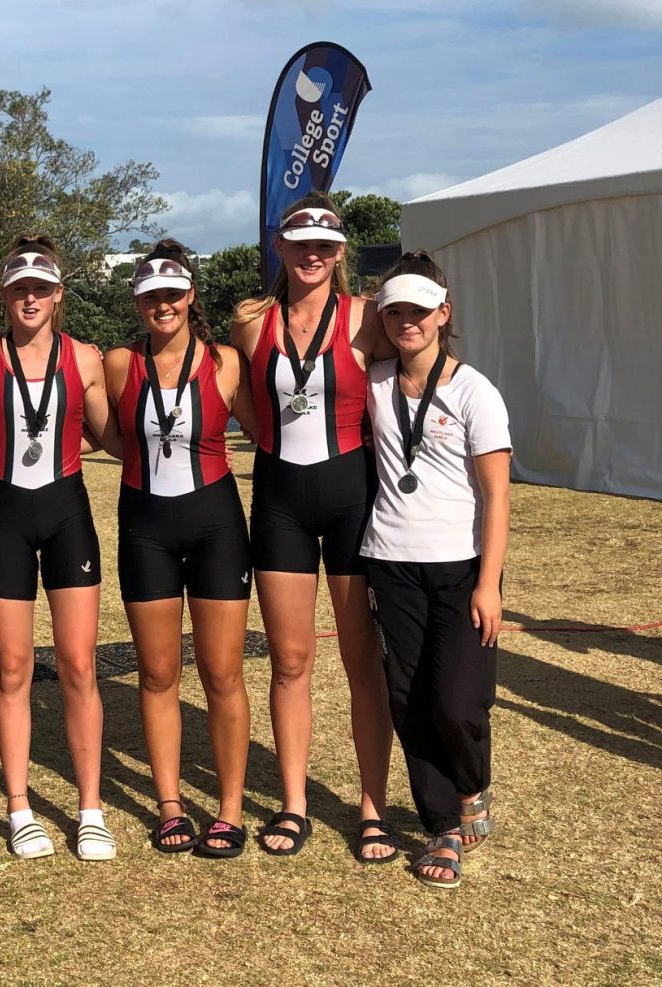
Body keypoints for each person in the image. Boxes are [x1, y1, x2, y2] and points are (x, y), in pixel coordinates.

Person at [229, 193, 398, 860]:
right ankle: (294, 803)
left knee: (362, 661)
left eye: (325, 245)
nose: (313, 255)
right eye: (301, 242)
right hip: (279, 503)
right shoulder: (252, 322)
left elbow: (420, 369)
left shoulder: (367, 320)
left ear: (340, 253)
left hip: (352, 501)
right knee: (290, 660)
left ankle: (372, 806)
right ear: (281, 246)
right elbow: (233, 396)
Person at [0, 236, 116, 861]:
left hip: (67, 513)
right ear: (4, 294)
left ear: (58, 295)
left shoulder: (87, 358)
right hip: (4, 517)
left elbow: (112, 437)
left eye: (41, 288)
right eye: (19, 287)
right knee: (12, 667)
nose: (30, 298)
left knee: (77, 664)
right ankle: (19, 807)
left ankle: (90, 809)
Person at [360, 253, 509, 889]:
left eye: (420, 311)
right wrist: (380, 304)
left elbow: (498, 495)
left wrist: (488, 583)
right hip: (390, 562)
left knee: (456, 701)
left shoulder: (474, 390)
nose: (405, 322)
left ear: (445, 313)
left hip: (460, 567)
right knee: (408, 698)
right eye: (395, 311)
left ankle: (473, 781)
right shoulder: (375, 378)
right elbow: (356, 336)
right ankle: (442, 826)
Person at [104, 242, 257, 858]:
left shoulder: (226, 363)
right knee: (159, 672)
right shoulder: (119, 363)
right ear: (138, 302)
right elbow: (110, 437)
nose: (162, 305)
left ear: (191, 297)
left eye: (173, 294)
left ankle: (229, 806)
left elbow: (268, 428)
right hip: (145, 527)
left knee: (222, 672)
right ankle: (169, 804)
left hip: (216, 525)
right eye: (150, 296)